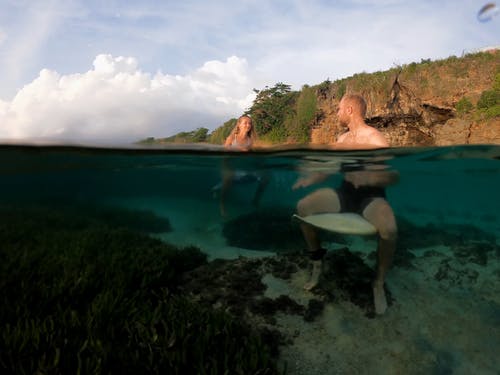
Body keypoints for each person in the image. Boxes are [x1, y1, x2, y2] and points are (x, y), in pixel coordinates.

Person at [292, 94, 398, 315]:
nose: (337, 113)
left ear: (350, 110)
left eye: (339, 109)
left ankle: (378, 282)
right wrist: (310, 179)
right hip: (345, 194)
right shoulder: (341, 140)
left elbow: (392, 176)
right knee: (303, 208)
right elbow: (330, 168)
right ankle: (317, 261)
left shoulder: (374, 138)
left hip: (371, 197)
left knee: (389, 229)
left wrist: (369, 178)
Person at [215, 115, 269, 216]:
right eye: (245, 123)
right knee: (228, 180)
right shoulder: (231, 138)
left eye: (250, 123)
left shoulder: (251, 140)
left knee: (266, 177)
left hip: (246, 168)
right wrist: (226, 170)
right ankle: (222, 205)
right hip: (232, 167)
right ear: (239, 125)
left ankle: (255, 200)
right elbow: (224, 156)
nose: (248, 125)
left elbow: (256, 156)